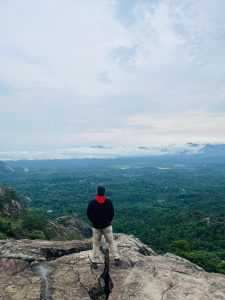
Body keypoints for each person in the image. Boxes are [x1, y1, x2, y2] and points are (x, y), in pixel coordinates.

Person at [87, 186, 120, 269]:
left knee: (96, 244)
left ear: (97, 192)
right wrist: (108, 221)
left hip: (96, 227)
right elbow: (112, 213)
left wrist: (93, 221)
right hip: (107, 226)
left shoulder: (92, 202)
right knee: (111, 242)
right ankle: (116, 258)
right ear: (104, 192)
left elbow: (88, 213)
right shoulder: (109, 202)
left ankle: (94, 262)